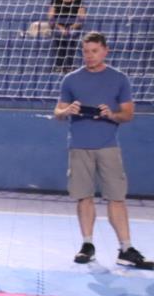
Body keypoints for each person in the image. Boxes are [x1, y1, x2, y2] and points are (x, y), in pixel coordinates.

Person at [53, 32, 152, 269]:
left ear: (105, 51)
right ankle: (87, 245)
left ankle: (126, 248)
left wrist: (111, 114)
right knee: (84, 197)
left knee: (116, 198)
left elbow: (128, 114)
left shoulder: (119, 79)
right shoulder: (71, 79)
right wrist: (68, 111)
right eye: (86, 51)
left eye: (94, 51)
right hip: (79, 147)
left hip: (108, 146)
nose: (89, 55)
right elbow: (58, 112)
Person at [48, 0, 86, 73]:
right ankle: (59, 65)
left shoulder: (78, 0)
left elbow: (81, 18)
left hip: (73, 27)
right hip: (58, 27)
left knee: (71, 35)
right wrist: (60, 28)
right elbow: (51, 17)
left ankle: (68, 66)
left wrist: (70, 28)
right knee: (61, 37)